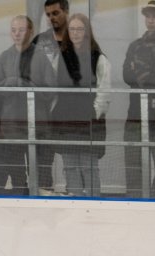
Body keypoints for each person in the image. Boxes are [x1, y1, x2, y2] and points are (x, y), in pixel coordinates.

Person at [0, 16, 56, 194]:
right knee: (17, 173)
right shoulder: (2, 58)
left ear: (31, 32)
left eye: (22, 30)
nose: (17, 34)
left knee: (42, 172)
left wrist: (28, 86)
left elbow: (51, 91)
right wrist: (11, 82)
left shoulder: (42, 58)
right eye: (13, 30)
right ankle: (21, 208)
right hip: (12, 126)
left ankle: (45, 209)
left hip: (38, 126)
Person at [53, 13, 110, 197]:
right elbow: (53, 87)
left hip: (89, 121)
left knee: (88, 166)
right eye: (72, 29)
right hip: (65, 120)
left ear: (87, 32)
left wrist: (94, 112)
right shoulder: (60, 56)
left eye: (79, 29)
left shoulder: (98, 58)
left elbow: (104, 90)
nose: (75, 33)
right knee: (70, 167)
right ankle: (74, 203)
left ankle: (93, 203)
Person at [122, 0, 155, 197]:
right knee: (133, 166)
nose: (151, 20)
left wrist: (141, 72)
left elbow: (135, 75)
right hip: (136, 115)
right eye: (148, 16)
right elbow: (126, 76)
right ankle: (134, 206)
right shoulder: (135, 45)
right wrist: (151, 76)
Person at [32, 0, 70, 195]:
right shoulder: (39, 40)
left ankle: (74, 193)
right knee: (43, 155)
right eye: (48, 15)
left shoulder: (78, 38)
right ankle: (44, 194)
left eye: (55, 13)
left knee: (71, 154)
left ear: (66, 11)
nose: (51, 18)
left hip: (69, 107)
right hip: (43, 107)